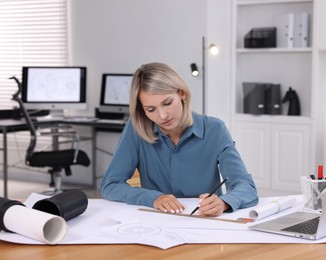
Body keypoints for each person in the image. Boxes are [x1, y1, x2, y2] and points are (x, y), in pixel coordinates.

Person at [100, 62, 258, 217]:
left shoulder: (215, 129)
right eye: (151, 109)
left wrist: (224, 202)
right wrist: (153, 198)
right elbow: (111, 185)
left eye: (167, 103)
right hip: (157, 224)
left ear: (182, 94)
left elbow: (246, 187)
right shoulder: (136, 130)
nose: (162, 116)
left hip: (205, 223)